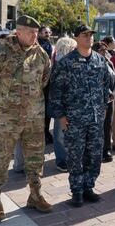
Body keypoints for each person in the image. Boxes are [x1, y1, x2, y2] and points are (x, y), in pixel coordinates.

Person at [0, 15, 52, 222]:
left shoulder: (41, 54)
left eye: (36, 32)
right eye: (30, 32)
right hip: (8, 118)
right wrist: (1, 94)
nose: (34, 35)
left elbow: (44, 79)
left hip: (35, 117)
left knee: (36, 158)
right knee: (1, 159)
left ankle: (35, 195)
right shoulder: (1, 52)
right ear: (18, 32)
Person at [50, 25, 112, 207]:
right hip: (74, 119)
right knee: (75, 156)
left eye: (91, 35)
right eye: (85, 35)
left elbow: (105, 87)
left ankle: (88, 187)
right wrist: (60, 116)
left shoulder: (100, 61)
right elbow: (56, 92)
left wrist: (102, 110)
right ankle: (76, 190)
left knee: (94, 155)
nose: (89, 38)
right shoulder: (66, 63)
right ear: (76, 38)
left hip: (95, 118)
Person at [48, 36, 78, 172]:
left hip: (67, 103)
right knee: (61, 133)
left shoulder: (65, 61)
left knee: (65, 133)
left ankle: (66, 159)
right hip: (62, 103)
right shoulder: (60, 62)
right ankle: (62, 160)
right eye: (73, 47)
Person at [92, 41, 115, 163]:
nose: (104, 52)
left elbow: (114, 78)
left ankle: (107, 149)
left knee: (108, 125)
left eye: (105, 50)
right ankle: (96, 150)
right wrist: (107, 91)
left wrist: (113, 92)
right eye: (101, 50)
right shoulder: (92, 63)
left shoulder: (109, 63)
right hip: (97, 100)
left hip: (109, 100)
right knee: (98, 126)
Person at [38, 26, 54, 145]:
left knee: (47, 107)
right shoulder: (38, 44)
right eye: (45, 32)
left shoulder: (49, 44)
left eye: (49, 32)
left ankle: (46, 131)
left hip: (48, 79)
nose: (48, 34)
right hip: (38, 79)